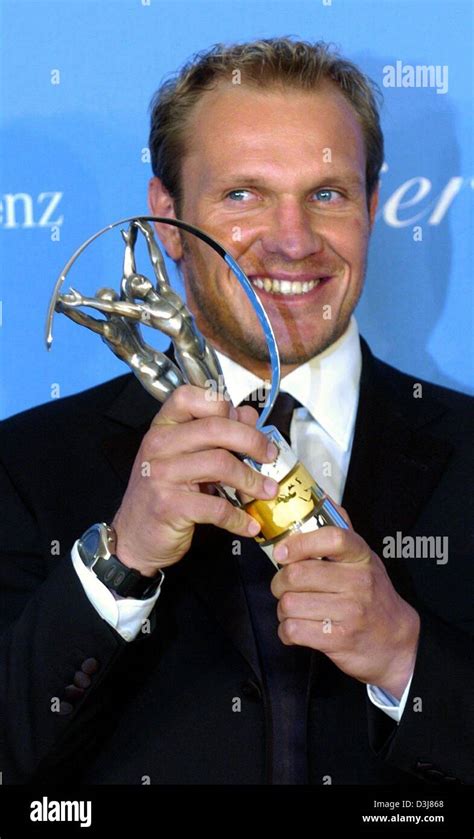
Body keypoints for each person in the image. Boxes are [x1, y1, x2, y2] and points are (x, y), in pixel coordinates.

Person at [0, 38, 472, 786]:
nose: (292, 241)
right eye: (243, 194)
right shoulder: (23, 465)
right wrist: (115, 566)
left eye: (327, 194)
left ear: (374, 208)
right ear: (166, 219)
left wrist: (406, 656)